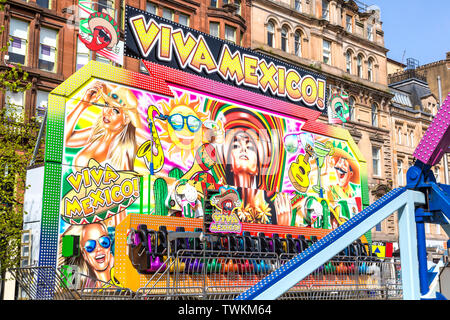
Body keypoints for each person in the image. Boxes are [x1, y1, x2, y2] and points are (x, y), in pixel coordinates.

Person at [65, 81, 141, 171]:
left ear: (126, 119)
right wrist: (83, 104)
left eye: (115, 110)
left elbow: (129, 181)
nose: (107, 112)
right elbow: (63, 139)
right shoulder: (96, 134)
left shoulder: (123, 152)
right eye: (107, 105)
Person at [59, 222, 118, 288]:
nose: (99, 248)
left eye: (104, 242)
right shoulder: (83, 285)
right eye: (90, 246)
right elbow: (68, 288)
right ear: (84, 254)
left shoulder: (122, 274)